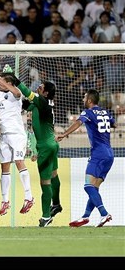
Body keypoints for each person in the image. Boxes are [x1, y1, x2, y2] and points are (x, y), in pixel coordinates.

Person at [0, 65, 62, 227]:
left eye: (41, 87)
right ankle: (56, 203)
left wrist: (13, 78)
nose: (38, 87)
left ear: (46, 92)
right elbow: (22, 102)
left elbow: (26, 92)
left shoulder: (42, 102)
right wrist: (9, 88)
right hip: (51, 144)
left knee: (45, 182)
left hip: (46, 146)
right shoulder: (39, 104)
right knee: (54, 174)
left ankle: (46, 216)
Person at [56, 89, 115, 227]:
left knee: (88, 186)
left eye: (84, 98)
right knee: (94, 187)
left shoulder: (87, 113)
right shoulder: (105, 112)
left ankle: (104, 213)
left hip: (98, 153)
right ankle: (86, 216)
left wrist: (64, 135)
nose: (83, 100)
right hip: (109, 154)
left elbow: (78, 123)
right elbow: (113, 123)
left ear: (89, 100)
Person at [0, 65, 34, 216]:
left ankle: (29, 197)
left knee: (19, 161)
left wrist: (3, 82)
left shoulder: (16, 94)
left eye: (2, 81)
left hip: (17, 134)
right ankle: (5, 201)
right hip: (4, 135)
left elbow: (16, 91)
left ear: (8, 83)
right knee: (4, 167)